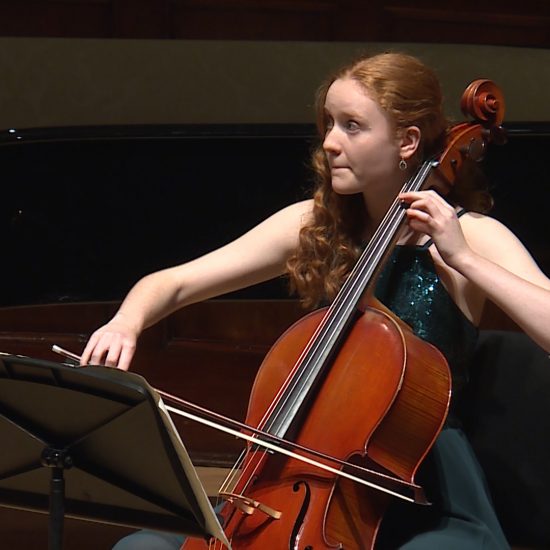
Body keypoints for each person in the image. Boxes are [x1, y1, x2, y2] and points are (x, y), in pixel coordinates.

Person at [81, 52, 550, 549]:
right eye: (328, 123)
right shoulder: (314, 223)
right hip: (302, 475)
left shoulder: (470, 235)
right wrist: (126, 322)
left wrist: (465, 259)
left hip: (424, 489)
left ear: (407, 142)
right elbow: (172, 283)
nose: (330, 142)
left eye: (352, 126)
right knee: (140, 547)